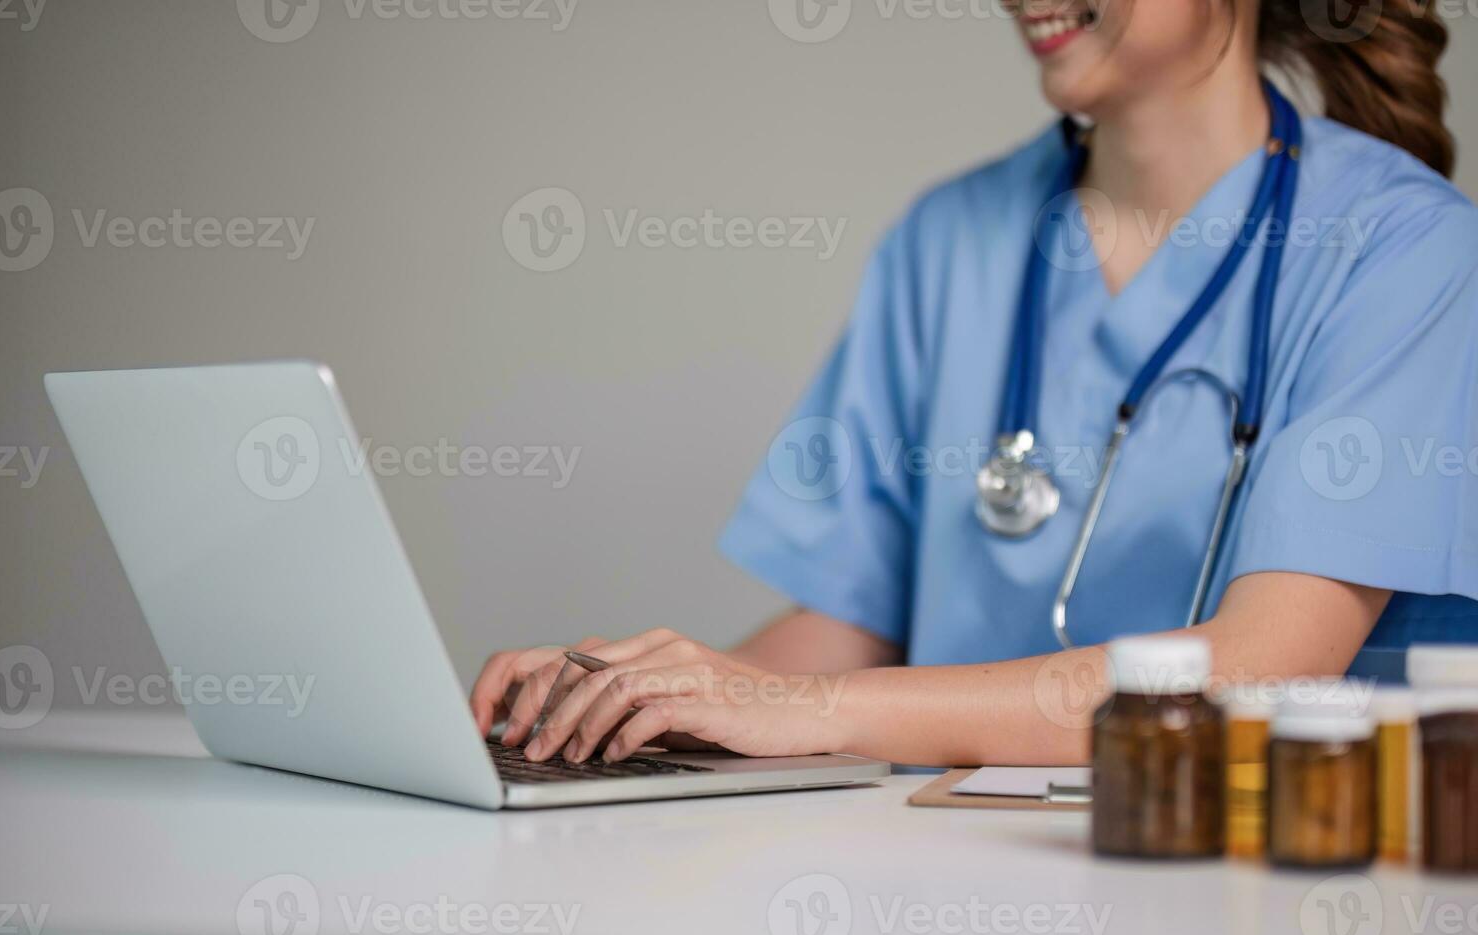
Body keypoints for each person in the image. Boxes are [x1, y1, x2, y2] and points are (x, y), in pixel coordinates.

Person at [470, 0, 1478, 767]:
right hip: (932, 862)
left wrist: (803, 709)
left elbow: (1265, 662)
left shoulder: (1401, 248)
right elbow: (847, 619)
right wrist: (641, 704)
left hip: (1220, 881)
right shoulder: (945, 239)